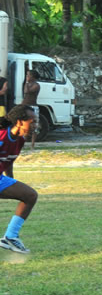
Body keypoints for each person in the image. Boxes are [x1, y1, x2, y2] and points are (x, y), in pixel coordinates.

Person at [0, 105, 39, 254]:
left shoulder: (19, 140)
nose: (35, 125)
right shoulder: (1, 136)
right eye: (32, 121)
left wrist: (12, 182)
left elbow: (8, 161)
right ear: (19, 122)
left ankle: (10, 237)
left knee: (30, 195)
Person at [21, 70, 40, 149]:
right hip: (25, 105)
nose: (27, 77)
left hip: (33, 107)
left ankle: (32, 145)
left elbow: (26, 91)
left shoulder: (36, 85)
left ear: (32, 77)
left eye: (28, 75)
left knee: (34, 126)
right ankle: (21, 144)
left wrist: (27, 83)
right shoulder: (29, 84)